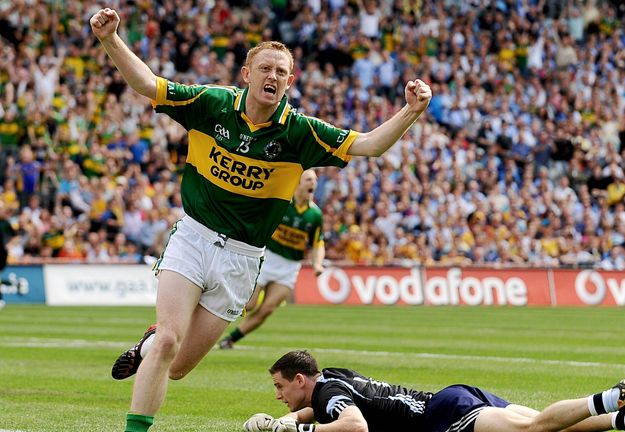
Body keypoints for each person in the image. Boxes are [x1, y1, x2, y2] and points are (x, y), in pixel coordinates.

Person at [89, 7, 432, 432]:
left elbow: (369, 145)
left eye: (282, 71)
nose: (273, 75)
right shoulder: (212, 103)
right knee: (169, 341)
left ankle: (146, 346)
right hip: (194, 238)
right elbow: (146, 84)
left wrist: (411, 111)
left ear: (290, 82)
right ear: (247, 73)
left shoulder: (299, 132)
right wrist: (109, 39)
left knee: (175, 366)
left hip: (243, 258)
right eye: (265, 67)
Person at [244, 350, 625, 432]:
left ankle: (612, 397)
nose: (279, 395)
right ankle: (622, 419)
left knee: (535, 428)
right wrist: (281, 421)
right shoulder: (332, 378)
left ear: (301, 380)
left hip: (442, 418)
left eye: (281, 388)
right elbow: (322, 411)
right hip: (449, 397)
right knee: (548, 427)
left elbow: (354, 426)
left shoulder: (326, 398)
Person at [219, 169, 326, 350]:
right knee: (250, 304)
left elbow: (318, 243)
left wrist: (317, 263)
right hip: (267, 258)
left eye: (315, 180)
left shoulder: (315, 214)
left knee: (267, 309)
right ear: (298, 182)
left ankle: (230, 340)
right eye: (308, 179)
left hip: (290, 266)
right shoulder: (282, 203)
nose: (313, 183)